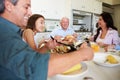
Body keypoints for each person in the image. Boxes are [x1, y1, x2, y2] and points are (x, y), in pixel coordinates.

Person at [0, 0, 93, 80]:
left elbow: (31, 57)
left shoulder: (12, 31)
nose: (30, 13)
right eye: (26, 7)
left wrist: (47, 46)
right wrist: (83, 53)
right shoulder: (4, 34)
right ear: (9, 5)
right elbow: (36, 66)